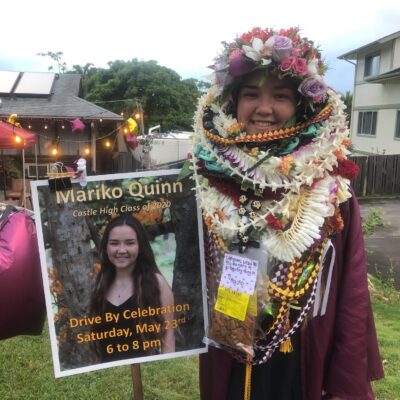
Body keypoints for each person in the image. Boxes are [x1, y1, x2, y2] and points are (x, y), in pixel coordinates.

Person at [192, 27, 384, 399]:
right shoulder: (205, 180)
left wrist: (345, 377)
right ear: (233, 102)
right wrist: (83, 192)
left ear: (301, 105)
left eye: (280, 96)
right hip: (226, 346)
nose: (264, 109)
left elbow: (352, 294)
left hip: (300, 352)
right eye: (251, 95)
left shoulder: (331, 190)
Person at [90, 214, 175, 362]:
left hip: (149, 373)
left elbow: (168, 334)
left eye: (130, 243)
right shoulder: (100, 284)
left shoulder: (157, 283)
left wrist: (166, 371)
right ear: (106, 246)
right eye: (114, 243)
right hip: (109, 377)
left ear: (140, 246)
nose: (121, 250)